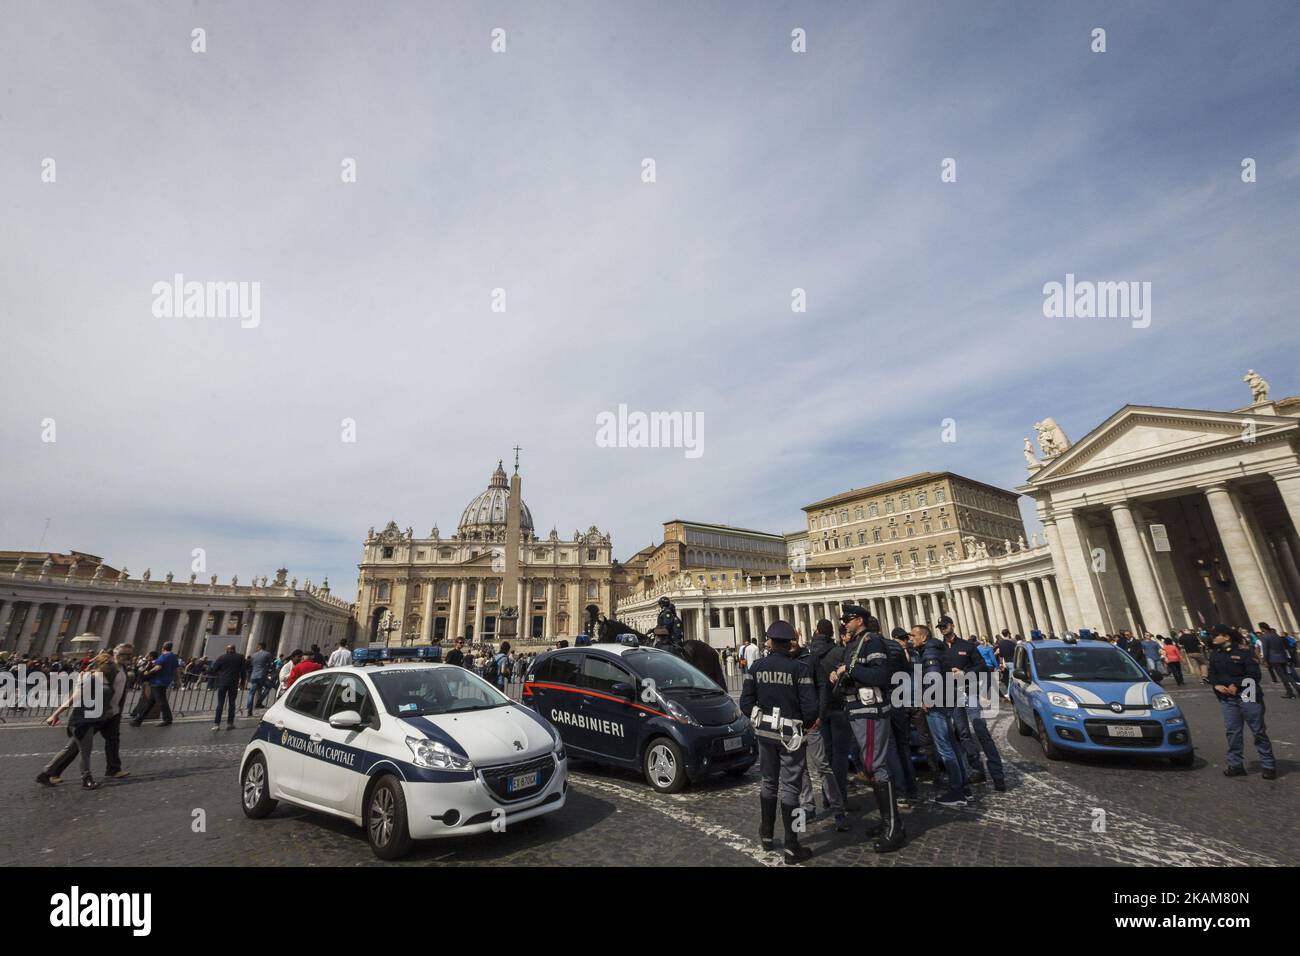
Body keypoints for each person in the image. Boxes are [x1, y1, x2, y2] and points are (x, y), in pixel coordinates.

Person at [739, 620, 819, 864]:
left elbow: (745, 703)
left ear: (771, 642)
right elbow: (810, 708)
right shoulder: (799, 669)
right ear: (790, 644)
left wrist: (759, 717)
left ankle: (766, 834)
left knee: (769, 782)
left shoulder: (756, 668)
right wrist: (802, 725)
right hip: (790, 735)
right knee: (791, 788)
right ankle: (792, 845)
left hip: (765, 734)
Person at [830, 605, 905, 853]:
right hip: (858, 710)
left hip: (871, 711)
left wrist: (848, 670)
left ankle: (894, 828)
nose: (845, 624)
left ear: (859, 620)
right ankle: (887, 822)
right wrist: (837, 674)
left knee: (875, 766)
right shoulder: (855, 643)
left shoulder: (872, 642)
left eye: (848, 620)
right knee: (872, 767)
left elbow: (881, 675)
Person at [37, 644, 132, 786]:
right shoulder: (93, 677)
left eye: (129, 655)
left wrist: (115, 710)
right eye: (109, 663)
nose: (112, 665)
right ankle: (83, 778)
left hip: (102, 716)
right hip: (87, 718)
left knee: (77, 747)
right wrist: (55, 714)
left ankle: (47, 773)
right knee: (81, 750)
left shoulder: (111, 673)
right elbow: (74, 698)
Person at [941, 616, 1006, 792]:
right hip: (952, 695)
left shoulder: (967, 646)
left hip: (969, 692)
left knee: (981, 730)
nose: (943, 629)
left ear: (952, 626)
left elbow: (982, 667)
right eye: (940, 627)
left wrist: (964, 672)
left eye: (945, 626)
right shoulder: (939, 649)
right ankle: (977, 770)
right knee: (962, 733)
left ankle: (997, 775)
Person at [795, 623, 848, 831]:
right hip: (793, 724)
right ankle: (804, 812)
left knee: (823, 765)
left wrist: (819, 714)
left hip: (813, 721)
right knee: (799, 769)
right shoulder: (785, 662)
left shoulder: (810, 659)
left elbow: (822, 687)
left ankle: (837, 808)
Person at [911, 623, 969, 807]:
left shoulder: (929, 652)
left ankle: (956, 790)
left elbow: (933, 675)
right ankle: (964, 786)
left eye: (913, 636)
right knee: (951, 743)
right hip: (947, 698)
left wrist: (927, 697)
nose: (911, 639)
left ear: (923, 637)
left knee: (944, 747)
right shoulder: (937, 648)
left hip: (937, 702)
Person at [1207, 624, 1276, 779]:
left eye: (1215, 635)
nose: (1213, 638)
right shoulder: (1215, 654)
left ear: (1226, 636)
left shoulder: (1244, 651)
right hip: (1227, 697)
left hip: (1248, 693)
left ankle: (1268, 764)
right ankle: (1235, 764)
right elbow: (1212, 674)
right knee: (1232, 731)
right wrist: (1216, 685)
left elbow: (1254, 675)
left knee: (1258, 730)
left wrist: (1236, 684)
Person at [130, 641, 178, 726]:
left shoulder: (163, 656)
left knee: (161, 701)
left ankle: (167, 719)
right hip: (165, 681)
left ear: (163, 647)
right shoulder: (174, 657)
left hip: (158, 681)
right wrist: (178, 681)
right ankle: (138, 720)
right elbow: (176, 670)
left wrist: (148, 672)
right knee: (150, 702)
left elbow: (158, 667)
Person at [1258, 622, 1298, 699]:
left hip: (1274, 659)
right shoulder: (1276, 635)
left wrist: (1265, 660)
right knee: (1287, 675)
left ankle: (1290, 692)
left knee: (1283, 677)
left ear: (1262, 628)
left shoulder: (1265, 637)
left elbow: (1265, 650)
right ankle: (1297, 688)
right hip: (1282, 657)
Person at [209, 643, 245, 731]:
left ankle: (216, 724)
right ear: (234, 649)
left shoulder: (221, 657)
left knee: (220, 704)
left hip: (222, 682)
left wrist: (219, 673)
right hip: (233, 682)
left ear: (226, 649)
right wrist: (243, 682)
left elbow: (213, 669)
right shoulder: (240, 657)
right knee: (232, 703)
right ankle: (230, 723)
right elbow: (243, 671)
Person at [245, 642, 274, 714]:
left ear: (259, 647)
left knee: (251, 693)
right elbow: (271, 664)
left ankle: (249, 709)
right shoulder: (267, 654)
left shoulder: (253, 655)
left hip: (254, 676)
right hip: (262, 675)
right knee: (268, 687)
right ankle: (259, 702)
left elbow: (251, 664)